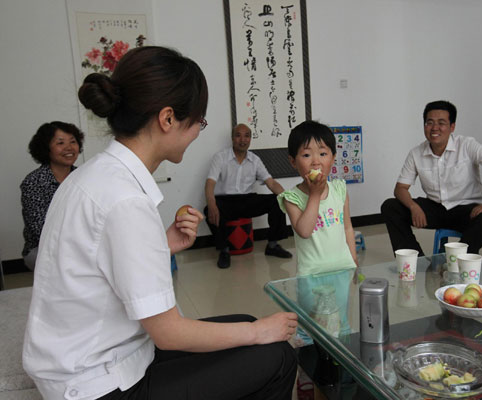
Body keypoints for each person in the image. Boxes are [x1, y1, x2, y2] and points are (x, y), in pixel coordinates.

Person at [23, 46, 298, 400]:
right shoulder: (125, 200)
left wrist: (159, 245)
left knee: (243, 320)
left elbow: (91, 261)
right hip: (98, 385)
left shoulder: (92, 175)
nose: (199, 130)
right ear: (167, 118)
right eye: (199, 121)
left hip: (89, 357)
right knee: (275, 354)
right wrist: (260, 331)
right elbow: (169, 334)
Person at [381, 100, 482, 256]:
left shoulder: (467, 145)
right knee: (390, 207)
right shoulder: (416, 153)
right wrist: (414, 206)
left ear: (452, 127)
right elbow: (400, 188)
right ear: (424, 126)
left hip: (467, 209)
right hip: (436, 208)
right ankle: (414, 260)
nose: (435, 128)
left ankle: (455, 259)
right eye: (429, 123)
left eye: (441, 123)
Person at [278, 120, 358, 346]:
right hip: (311, 275)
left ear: (332, 157)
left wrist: (353, 258)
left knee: (340, 323)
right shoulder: (291, 198)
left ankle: (340, 362)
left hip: (341, 269)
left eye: (323, 153)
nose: (316, 161)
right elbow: (304, 230)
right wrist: (314, 195)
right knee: (309, 326)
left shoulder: (340, 189)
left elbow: (347, 227)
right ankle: (308, 368)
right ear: (293, 162)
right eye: (306, 155)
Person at [204, 123, 292, 268]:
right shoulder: (220, 157)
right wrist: (211, 202)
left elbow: (271, 183)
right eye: (238, 135)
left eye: (246, 136)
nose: (242, 140)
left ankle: (272, 245)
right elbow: (210, 183)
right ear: (232, 138)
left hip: (247, 199)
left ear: (250, 139)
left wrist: (287, 197)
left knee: (277, 201)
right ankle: (224, 251)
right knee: (209, 210)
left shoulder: (255, 160)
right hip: (225, 201)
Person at [20, 121, 84, 270]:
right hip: (42, 248)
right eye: (60, 143)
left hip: (82, 243)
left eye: (73, 142)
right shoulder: (33, 182)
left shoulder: (84, 177)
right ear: (46, 148)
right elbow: (40, 229)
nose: (69, 148)